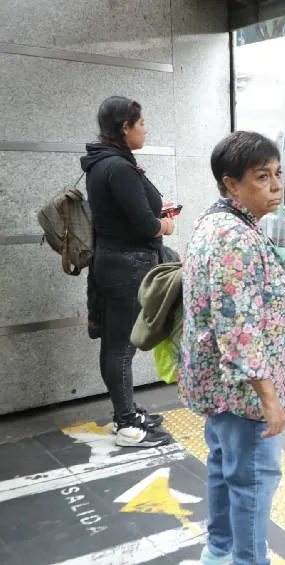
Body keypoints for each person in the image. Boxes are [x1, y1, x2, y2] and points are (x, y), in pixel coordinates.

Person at [179, 131, 285, 565]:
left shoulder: (216, 222)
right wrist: (269, 398)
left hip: (218, 385)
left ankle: (220, 551)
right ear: (232, 184)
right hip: (242, 391)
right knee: (254, 480)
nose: (276, 186)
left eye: (278, 174)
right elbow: (239, 328)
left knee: (224, 469)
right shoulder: (235, 238)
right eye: (262, 177)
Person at [81, 95, 174, 447]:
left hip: (114, 260)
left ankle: (127, 410)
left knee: (117, 344)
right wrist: (164, 226)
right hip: (128, 264)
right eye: (141, 123)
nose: (145, 129)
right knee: (120, 346)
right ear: (125, 128)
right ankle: (125, 424)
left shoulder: (103, 162)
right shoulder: (118, 167)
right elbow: (145, 225)